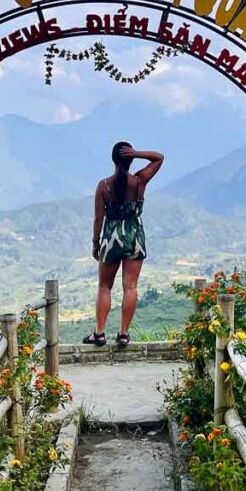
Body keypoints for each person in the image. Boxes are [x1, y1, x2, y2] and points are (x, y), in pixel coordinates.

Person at [83, 141, 164, 347]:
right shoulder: (139, 181)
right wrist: (137, 153)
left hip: (111, 238)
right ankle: (123, 334)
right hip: (134, 236)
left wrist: (96, 243)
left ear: (113, 160)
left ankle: (99, 333)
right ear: (130, 160)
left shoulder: (104, 186)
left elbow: (98, 219)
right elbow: (159, 157)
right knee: (130, 287)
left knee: (104, 286)